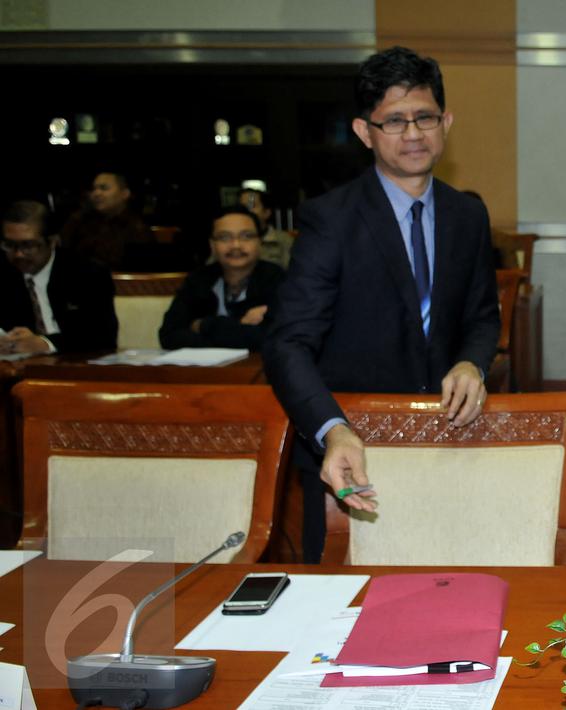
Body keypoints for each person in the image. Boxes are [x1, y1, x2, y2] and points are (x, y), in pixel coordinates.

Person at [263, 46, 500, 563]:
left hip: (448, 439)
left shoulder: (468, 216)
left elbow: (483, 317)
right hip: (353, 449)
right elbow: (287, 343)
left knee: (448, 593)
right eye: (394, 121)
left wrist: (470, 362)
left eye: (424, 117)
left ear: (446, 121)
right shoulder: (331, 219)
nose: (413, 134)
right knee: (340, 613)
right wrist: (332, 428)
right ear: (364, 131)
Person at [0, 200, 118, 354]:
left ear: (53, 241)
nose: (18, 254)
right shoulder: (5, 273)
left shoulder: (88, 274)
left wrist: (45, 343)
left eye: (28, 246)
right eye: (10, 245)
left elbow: (103, 337)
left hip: (76, 366)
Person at [159, 206, 283, 351]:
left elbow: (270, 338)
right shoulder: (198, 279)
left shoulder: (277, 278)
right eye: (225, 237)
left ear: (260, 242)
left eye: (246, 236)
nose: (236, 245)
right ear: (212, 245)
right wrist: (238, 327)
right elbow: (169, 336)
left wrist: (203, 325)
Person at [59, 172, 148, 270]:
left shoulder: (136, 228)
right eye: (94, 189)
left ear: (124, 194)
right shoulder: (80, 220)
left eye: (104, 188)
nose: (96, 193)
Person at [238, 181, 295, 268]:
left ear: (266, 212)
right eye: (242, 207)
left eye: (251, 206)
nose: (246, 212)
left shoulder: (284, 241)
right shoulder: (230, 241)